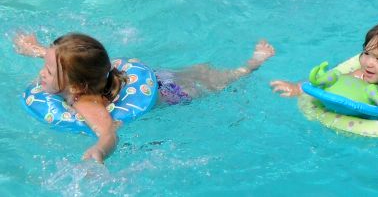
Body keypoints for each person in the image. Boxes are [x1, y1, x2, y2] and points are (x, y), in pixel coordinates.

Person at [14, 32, 275, 162]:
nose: (41, 74)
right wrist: (35, 48)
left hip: (174, 94)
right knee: (202, 71)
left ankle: (251, 65)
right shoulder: (81, 75)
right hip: (160, 77)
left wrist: (99, 153)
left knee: (217, 81)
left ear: (77, 85)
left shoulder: (85, 101)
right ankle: (244, 64)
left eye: (48, 70)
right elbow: (67, 60)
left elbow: (108, 133)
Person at [270, 20, 378, 141]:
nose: (368, 63)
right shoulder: (361, 76)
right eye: (366, 54)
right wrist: (298, 88)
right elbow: (330, 84)